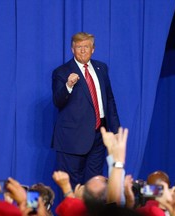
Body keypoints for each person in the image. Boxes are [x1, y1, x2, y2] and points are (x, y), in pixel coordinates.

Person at [52, 32, 120, 188]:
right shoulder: (62, 72)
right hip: (72, 140)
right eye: (79, 47)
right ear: (72, 49)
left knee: (94, 187)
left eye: (86, 47)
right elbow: (58, 101)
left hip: (98, 137)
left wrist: (115, 130)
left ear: (93, 49)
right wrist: (68, 85)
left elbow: (109, 99)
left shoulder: (101, 68)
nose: (83, 50)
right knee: (71, 187)